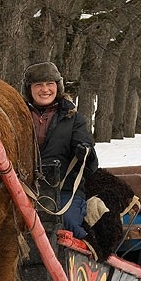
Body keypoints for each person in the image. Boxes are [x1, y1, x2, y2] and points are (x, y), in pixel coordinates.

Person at [22, 62, 98, 240]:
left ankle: (89, 254)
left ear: (58, 86)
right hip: (25, 189)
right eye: (38, 85)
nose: (45, 89)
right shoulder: (19, 115)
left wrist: (84, 152)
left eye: (50, 84)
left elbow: (90, 164)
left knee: (66, 222)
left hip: (65, 190)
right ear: (29, 89)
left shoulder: (73, 117)